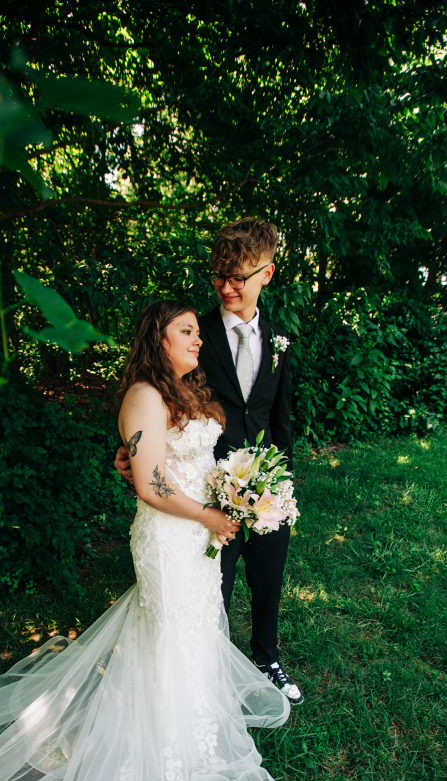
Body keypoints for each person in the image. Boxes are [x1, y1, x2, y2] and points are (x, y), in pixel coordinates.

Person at [0, 300, 289, 781]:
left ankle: (194, 744)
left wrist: (235, 495)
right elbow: (149, 483)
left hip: (198, 538)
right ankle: (154, 760)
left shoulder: (188, 389)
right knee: (166, 635)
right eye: (186, 331)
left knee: (195, 632)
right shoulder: (144, 394)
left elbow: (182, 463)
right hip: (170, 540)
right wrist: (205, 513)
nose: (199, 339)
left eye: (199, 330)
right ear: (158, 338)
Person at [116, 218, 303, 706]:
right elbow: (159, 405)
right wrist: (131, 455)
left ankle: (267, 655)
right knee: (208, 590)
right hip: (206, 489)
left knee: (269, 575)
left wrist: (281, 483)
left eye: (238, 276)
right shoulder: (191, 336)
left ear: (268, 274)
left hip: (266, 487)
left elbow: (280, 415)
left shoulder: (280, 339)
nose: (226, 286)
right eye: (220, 275)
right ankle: (206, 671)